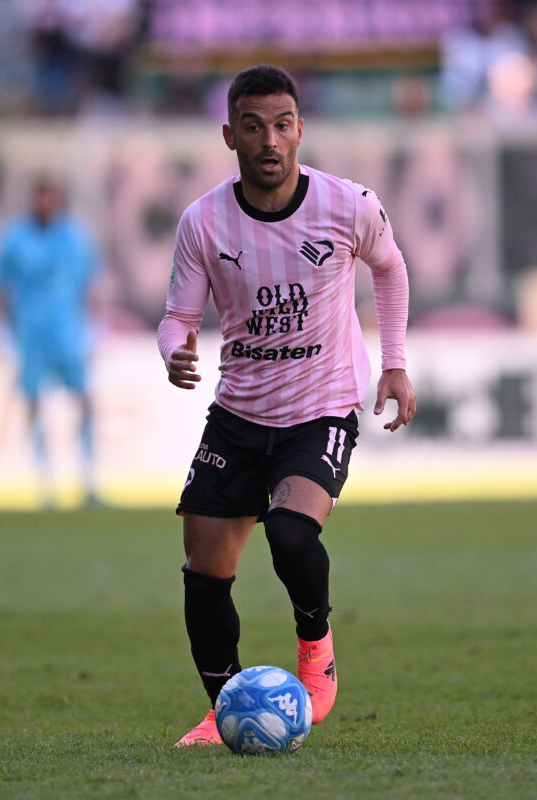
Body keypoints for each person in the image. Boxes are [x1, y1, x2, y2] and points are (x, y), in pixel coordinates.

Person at [157, 64, 416, 747]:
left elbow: (389, 267)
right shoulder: (203, 221)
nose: (269, 140)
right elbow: (176, 315)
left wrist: (393, 363)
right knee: (205, 573)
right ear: (229, 136)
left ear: (300, 129)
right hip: (238, 414)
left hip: (321, 408)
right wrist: (174, 347)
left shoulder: (349, 204)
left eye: (281, 124)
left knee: (291, 533)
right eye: (252, 127)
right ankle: (223, 711)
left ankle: (315, 642)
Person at [0, 175, 102, 506]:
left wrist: (97, 326)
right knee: (35, 405)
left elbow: (91, 283)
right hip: (30, 335)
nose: (45, 205)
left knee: (84, 401)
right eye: (40, 198)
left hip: (67, 332)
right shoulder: (14, 238)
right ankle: (46, 484)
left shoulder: (74, 237)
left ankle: (88, 481)